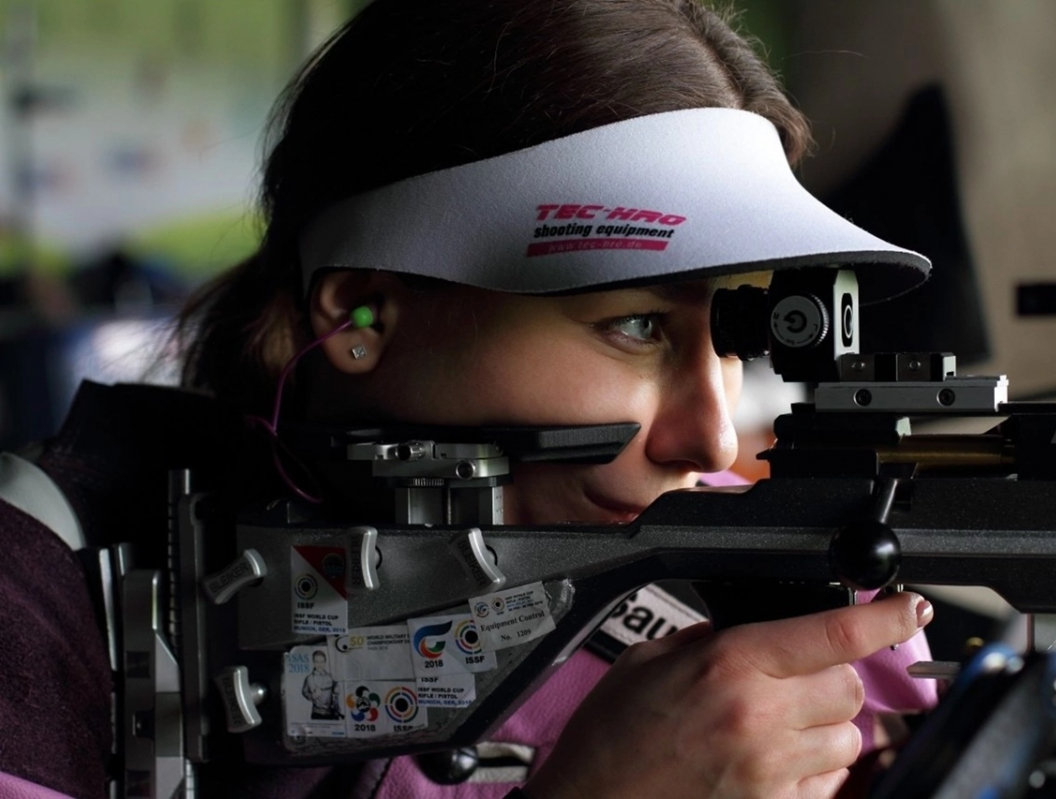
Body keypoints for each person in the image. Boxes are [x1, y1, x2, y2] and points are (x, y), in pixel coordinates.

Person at [0, 1, 937, 797]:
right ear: (364, 312)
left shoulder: (726, 559)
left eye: (733, 339)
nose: (710, 438)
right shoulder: (40, 582)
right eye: (637, 324)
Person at [303, 650, 342, 721]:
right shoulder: (309, 678)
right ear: (313, 663)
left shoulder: (330, 676)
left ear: (325, 662)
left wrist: (337, 690)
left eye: (322, 662)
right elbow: (305, 693)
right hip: (317, 713)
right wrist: (312, 696)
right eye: (317, 662)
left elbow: (336, 690)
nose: (319, 664)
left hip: (331, 713)